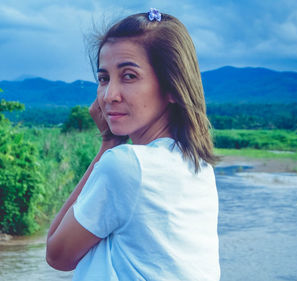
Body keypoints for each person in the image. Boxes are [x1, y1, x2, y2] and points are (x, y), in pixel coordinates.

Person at [46, 9, 220, 281]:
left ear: (172, 87)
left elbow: (57, 255)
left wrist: (108, 145)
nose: (109, 95)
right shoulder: (198, 166)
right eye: (104, 78)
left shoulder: (126, 164)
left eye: (128, 76)